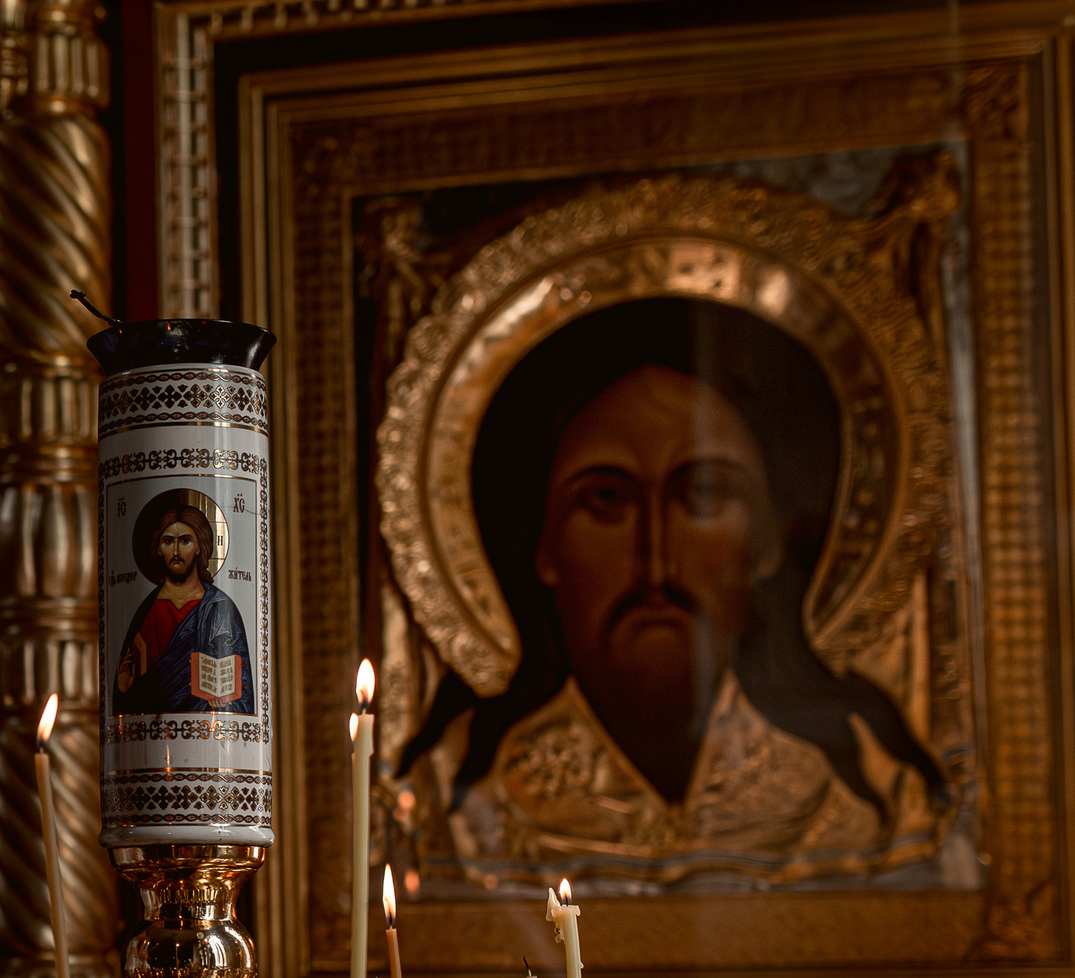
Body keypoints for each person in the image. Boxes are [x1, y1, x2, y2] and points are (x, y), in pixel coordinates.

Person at [397, 296, 953, 885]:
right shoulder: (453, 791)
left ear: (767, 544)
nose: (656, 559)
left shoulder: (870, 790)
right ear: (543, 548)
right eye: (606, 500)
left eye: (706, 495)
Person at [112, 490, 254, 717]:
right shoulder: (146, 613)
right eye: (168, 541)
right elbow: (129, 703)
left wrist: (225, 703)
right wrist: (124, 689)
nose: (176, 551)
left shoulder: (219, 608)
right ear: (158, 549)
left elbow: (243, 692)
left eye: (185, 541)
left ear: (200, 547)